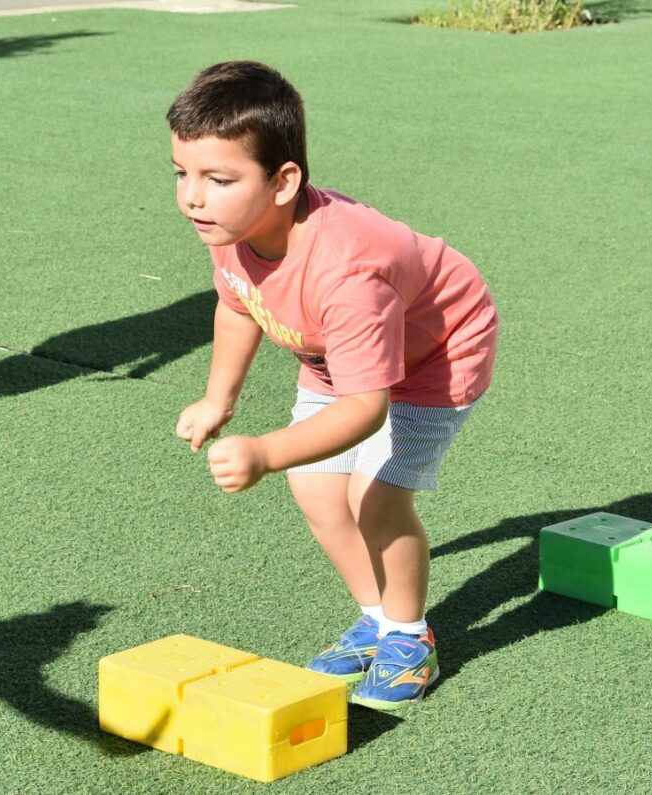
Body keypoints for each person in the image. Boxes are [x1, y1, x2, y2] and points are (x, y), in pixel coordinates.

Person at [168, 61, 498, 710]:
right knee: (317, 487)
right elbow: (237, 304)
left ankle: (409, 641)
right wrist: (218, 399)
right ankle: (376, 617)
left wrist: (264, 451)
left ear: (284, 180)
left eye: (218, 179)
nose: (193, 198)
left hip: (437, 352)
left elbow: (365, 409)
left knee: (376, 497)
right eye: (182, 174)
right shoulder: (231, 227)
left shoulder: (349, 272)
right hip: (339, 357)